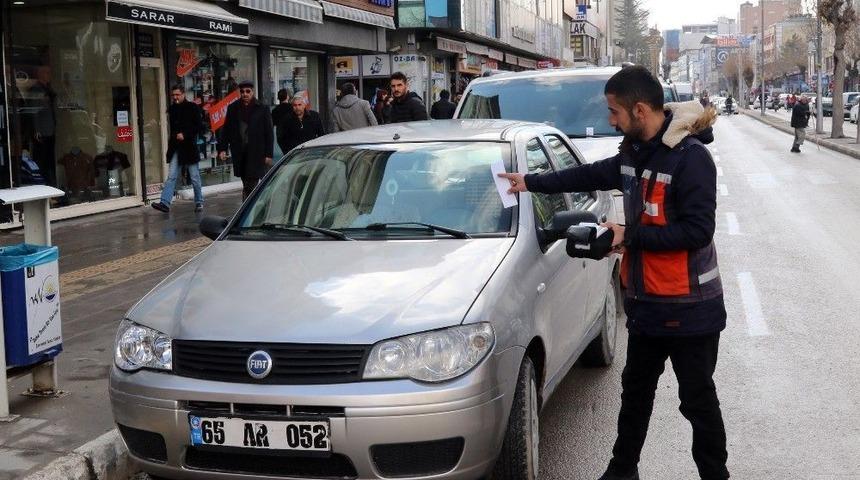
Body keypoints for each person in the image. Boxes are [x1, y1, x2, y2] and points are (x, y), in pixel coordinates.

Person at [498, 66, 729, 480]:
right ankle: (622, 471)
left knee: (697, 401)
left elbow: (697, 232)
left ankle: (715, 476)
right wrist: (529, 182)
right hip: (646, 304)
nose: (610, 119)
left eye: (614, 111)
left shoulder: (692, 158)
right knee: (635, 394)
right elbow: (589, 174)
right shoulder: (634, 152)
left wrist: (629, 235)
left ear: (639, 110)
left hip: (690, 309)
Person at [152, 85, 204, 213]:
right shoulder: (172, 109)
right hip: (176, 147)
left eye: (177, 94)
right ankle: (164, 202)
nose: (175, 97)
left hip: (189, 147)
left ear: (183, 94)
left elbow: (199, 127)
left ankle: (199, 201)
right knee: (171, 176)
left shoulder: (192, 107)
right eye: (173, 95)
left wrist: (185, 134)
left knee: (194, 177)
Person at [218, 81, 273, 200]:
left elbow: (269, 132)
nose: (245, 94)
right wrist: (222, 149)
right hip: (240, 152)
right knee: (246, 181)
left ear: (252, 92)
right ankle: (250, 203)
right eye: (242, 91)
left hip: (256, 152)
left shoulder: (262, 108)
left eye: (248, 91)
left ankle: (247, 205)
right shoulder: (233, 108)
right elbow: (227, 129)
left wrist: (268, 154)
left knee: (251, 182)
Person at [271, 88, 293, 153]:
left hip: (280, 134)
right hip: (291, 133)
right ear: (287, 97)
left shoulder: (275, 110)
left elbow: (272, 123)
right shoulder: (292, 108)